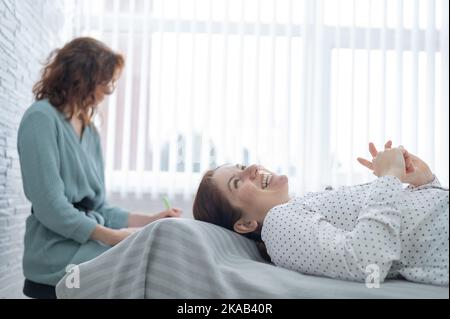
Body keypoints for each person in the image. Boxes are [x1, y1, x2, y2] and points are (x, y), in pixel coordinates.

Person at [18, 37, 181, 296]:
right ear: (81, 76)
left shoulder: (90, 132)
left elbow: (99, 207)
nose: (108, 91)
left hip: (85, 244)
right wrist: (115, 237)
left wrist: (148, 221)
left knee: (160, 257)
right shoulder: (40, 119)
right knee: (150, 262)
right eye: (106, 81)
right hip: (56, 251)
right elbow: (51, 208)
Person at [193, 141, 449, 286]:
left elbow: (410, 224)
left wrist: (425, 182)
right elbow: (367, 262)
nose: (250, 167)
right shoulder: (278, 224)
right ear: (246, 224)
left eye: (241, 165)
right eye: (236, 182)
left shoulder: (305, 203)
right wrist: (389, 178)